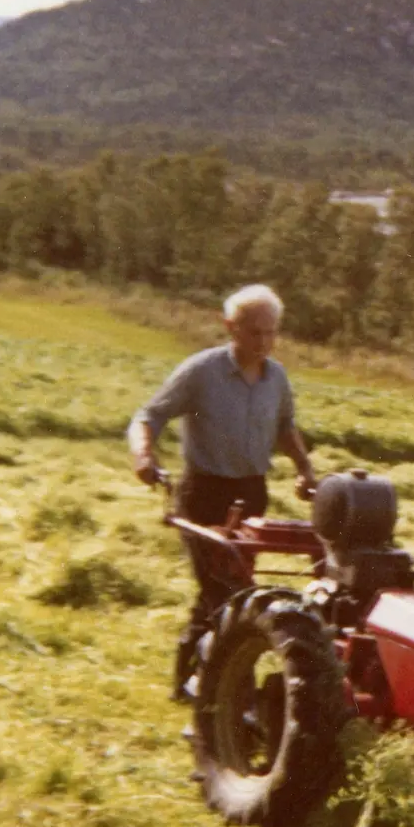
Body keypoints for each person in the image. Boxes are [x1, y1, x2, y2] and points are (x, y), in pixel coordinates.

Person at [127, 284, 317, 701]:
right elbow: (149, 415)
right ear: (230, 327)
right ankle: (231, 693)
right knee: (222, 593)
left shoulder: (276, 377)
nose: (264, 342)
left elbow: (285, 427)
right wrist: (144, 455)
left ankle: (190, 679)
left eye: (272, 333)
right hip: (204, 493)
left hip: (251, 495)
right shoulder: (202, 372)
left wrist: (305, 468)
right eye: (255, 333)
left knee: (233, 591)